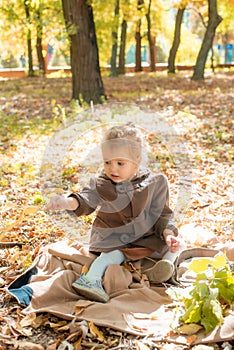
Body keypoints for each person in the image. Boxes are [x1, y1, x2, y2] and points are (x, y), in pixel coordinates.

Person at [47, 123, 184, 303]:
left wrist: (168, 234)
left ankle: (163, 269)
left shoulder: (156, 182)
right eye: (107, 162)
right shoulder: (102, 183)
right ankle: (90, 279)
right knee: (114, 254)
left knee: (178, 244)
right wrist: (66, 202)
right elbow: (86, 199)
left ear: (137, 160)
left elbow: (162, 215)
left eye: (120, 163)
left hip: (145, 236)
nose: (113, 169)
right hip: (113, 237)